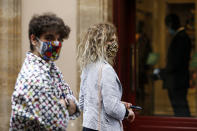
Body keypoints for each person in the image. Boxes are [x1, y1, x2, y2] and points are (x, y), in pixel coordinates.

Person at [10, 13, 80, 130]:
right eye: (49, 38)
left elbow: (76, 106)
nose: (56, 43)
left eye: (59, 39)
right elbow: (57, 124)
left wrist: (63, 104)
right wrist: (67, 104)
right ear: (34, 39)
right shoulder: (33, 75)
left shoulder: (51, 67)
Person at [77, 23, 135, 131]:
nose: (115, 44)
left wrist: (118, 103)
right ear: (100, 43)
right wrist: (127, 112)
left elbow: (82, 103)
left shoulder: (88, 67)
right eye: (111, 40)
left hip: (88, 126)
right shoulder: (106, 70)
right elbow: (112, 108)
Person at [153, 14, 192, 117]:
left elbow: (175, 63)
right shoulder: (181, 36)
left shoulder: (181, 37)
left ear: (170, 24)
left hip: (177, 81)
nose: (167, 30)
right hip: (178, 80)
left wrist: (160, 72)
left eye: (167, 26)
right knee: (180, 110)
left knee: (181, 112)